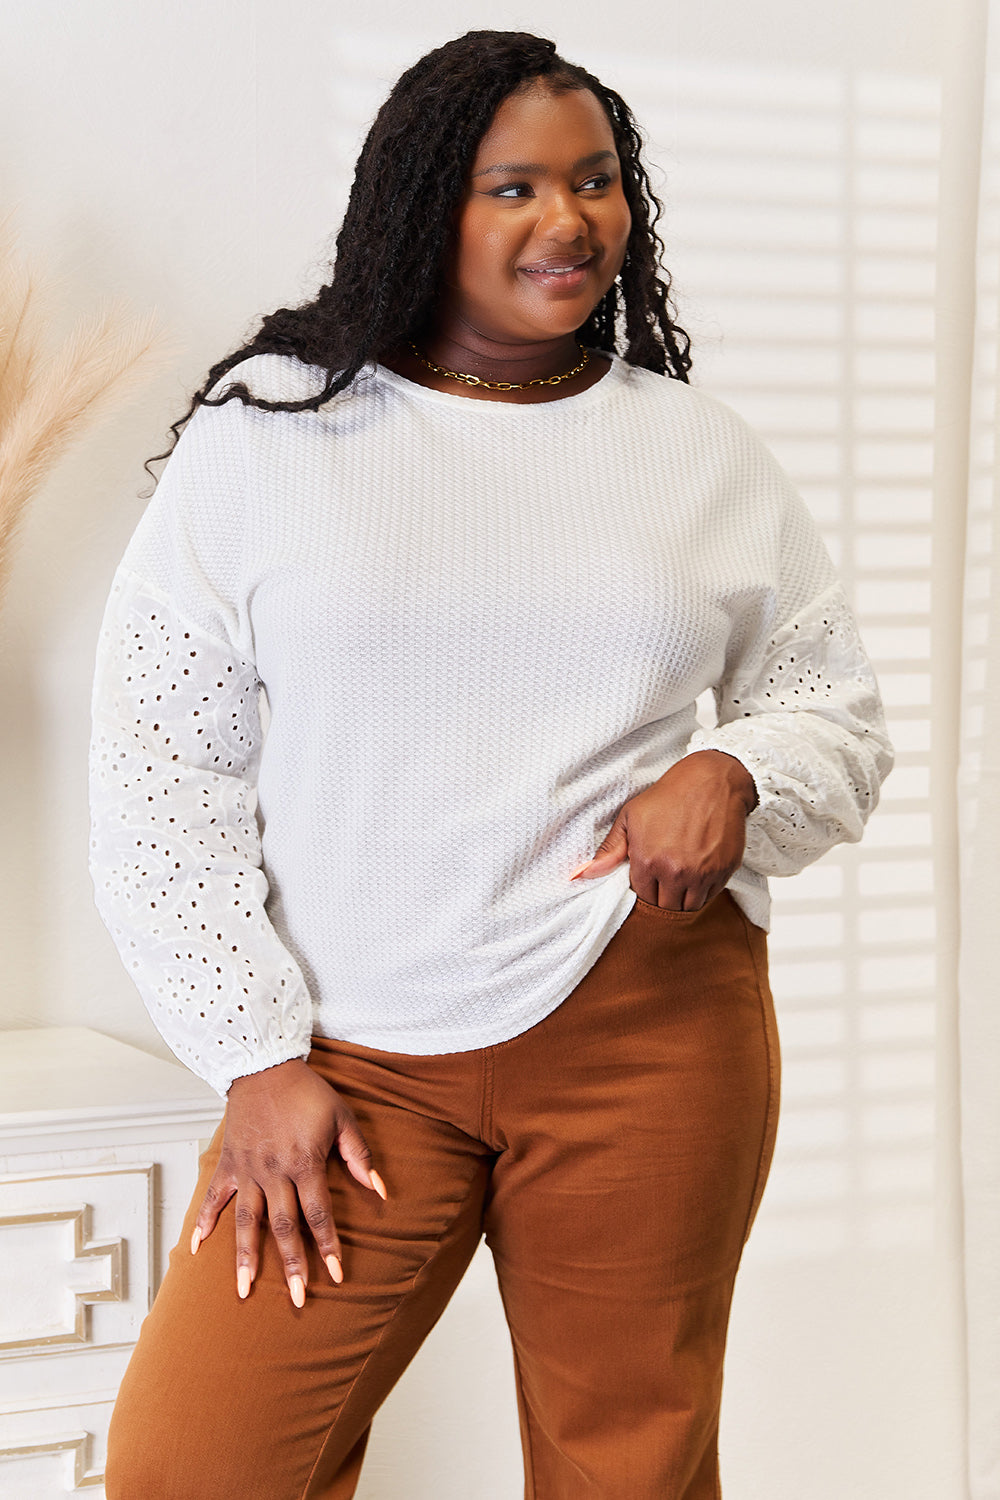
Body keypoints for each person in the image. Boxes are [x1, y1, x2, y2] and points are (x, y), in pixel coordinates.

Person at [89, 29, 892, 1500]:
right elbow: (159, 772)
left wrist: (743, 773)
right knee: (192, 1471)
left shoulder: (696, 451)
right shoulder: (274, 433)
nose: (568, 222)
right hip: (351, 1059)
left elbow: (833, 706)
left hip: (648, 1029)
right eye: (513, 187)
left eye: (595, 183)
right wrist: (254, 1059)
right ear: (422, 207)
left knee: (629, 1476)